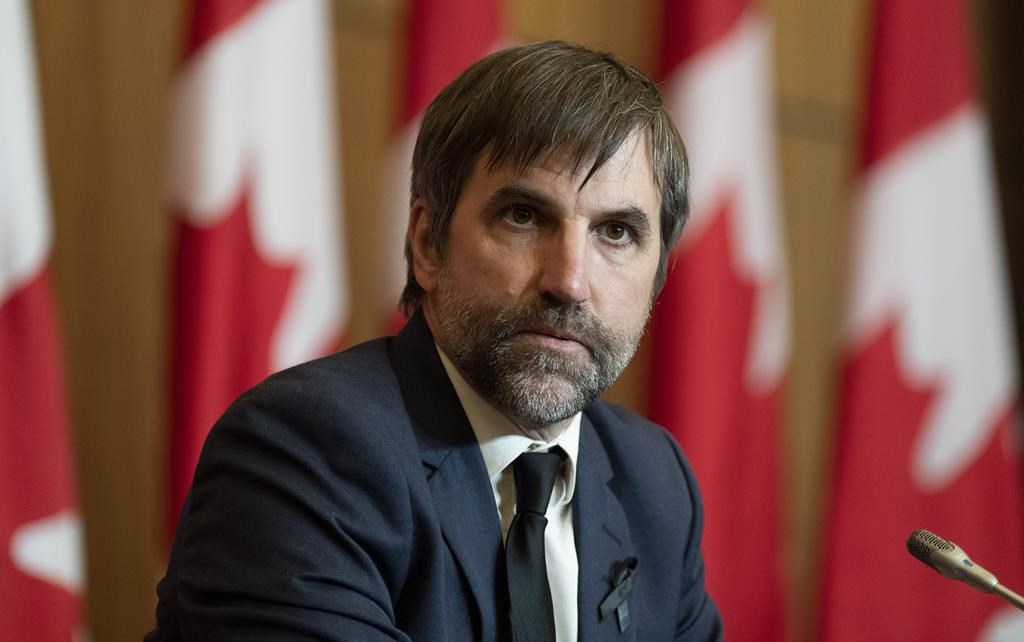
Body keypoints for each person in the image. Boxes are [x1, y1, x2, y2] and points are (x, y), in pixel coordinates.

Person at [147, 40, 722, 641]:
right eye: (524, 216)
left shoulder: (653, 482)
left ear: (658, 275)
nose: (570, 282)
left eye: (617, 232)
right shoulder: (304, 452)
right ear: (427, 243)